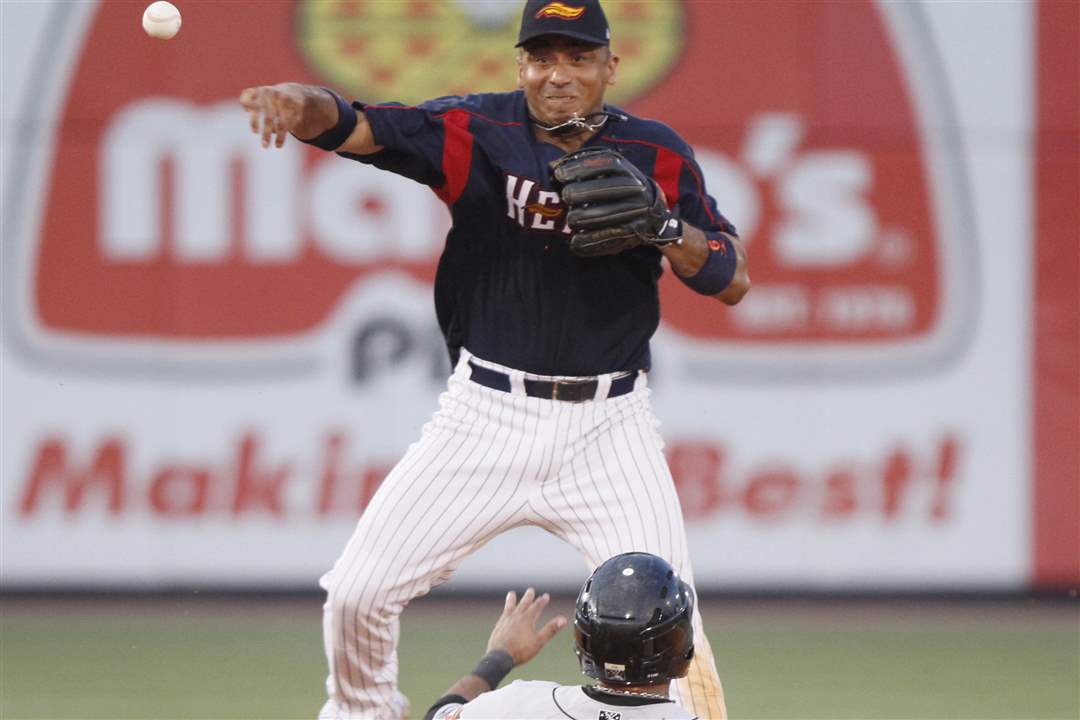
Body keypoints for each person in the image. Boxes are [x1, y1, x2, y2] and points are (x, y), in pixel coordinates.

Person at [239, 1, 748, 718]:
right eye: (543, 57)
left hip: (612, 427)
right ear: (520, 65)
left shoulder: (656, 153)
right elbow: (359, 125)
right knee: (357, 594)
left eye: (577, 57)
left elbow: (729, 277)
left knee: (676, 628)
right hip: (487, 413)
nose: (559, 74)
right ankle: (362, 712)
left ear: (610, 66)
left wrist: (663, 224)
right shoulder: (479, 131)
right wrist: (301, 102)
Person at [423, 552, 700, 720]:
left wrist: (499, 657)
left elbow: (438, 715)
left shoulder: (517, 705)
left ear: (585, 640)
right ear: (682, 649)